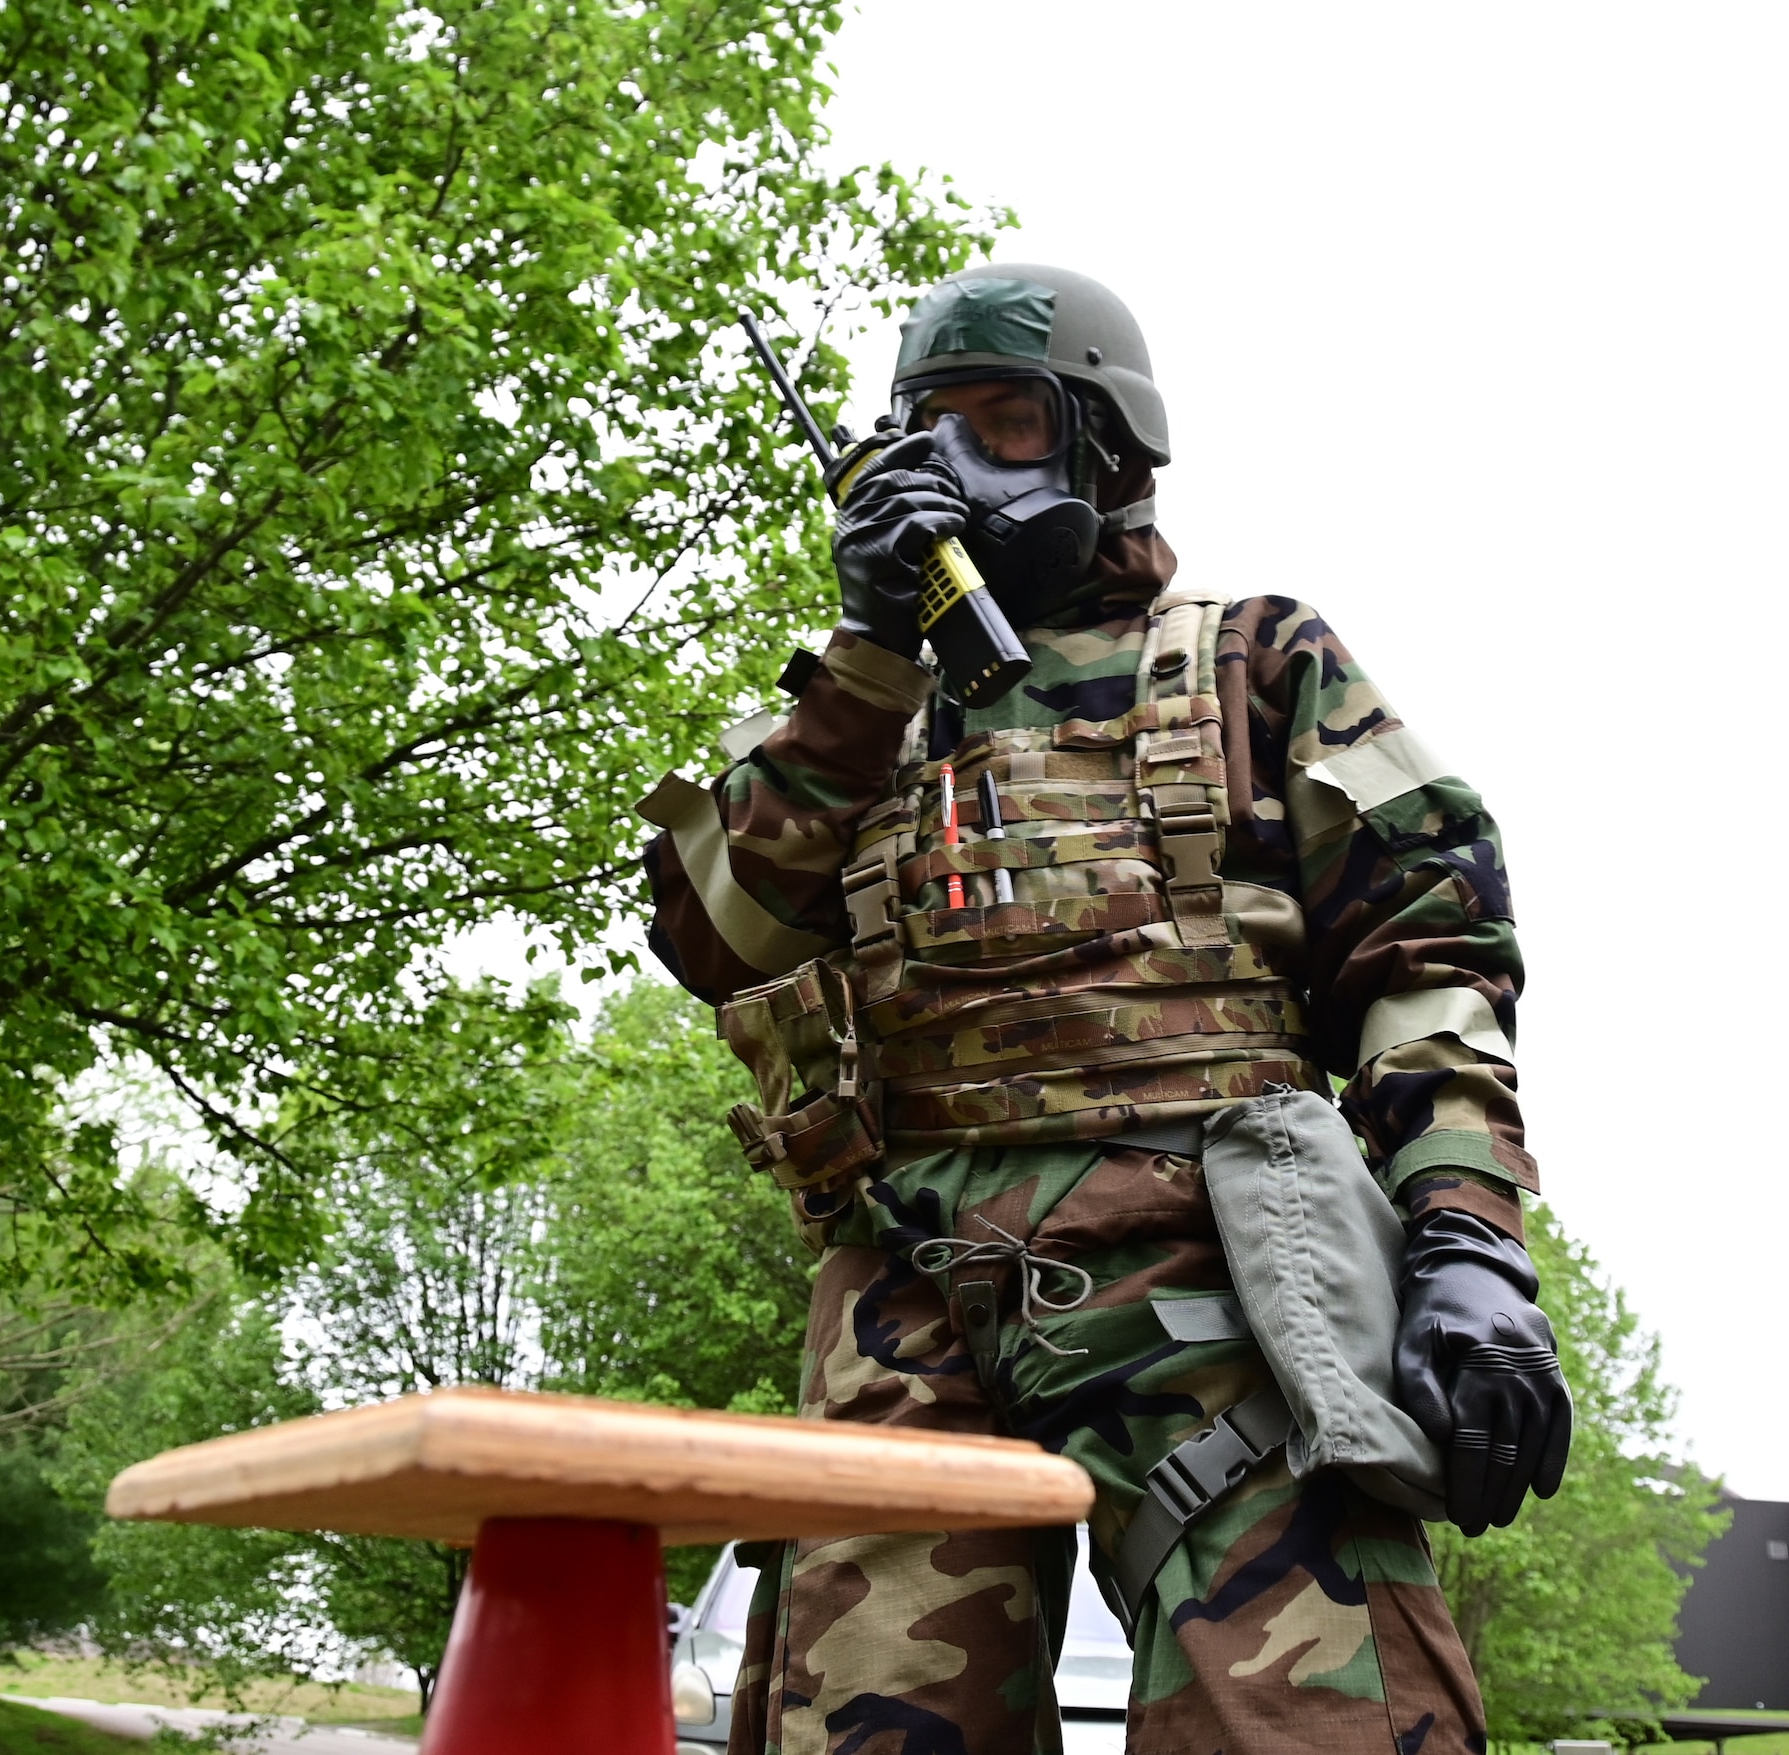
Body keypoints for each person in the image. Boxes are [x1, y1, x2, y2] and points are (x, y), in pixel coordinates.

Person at [639, 265, 1570, 1755]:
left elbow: (1428, 958)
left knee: (1316, 1732)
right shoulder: (845, 720)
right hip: (911, 1299)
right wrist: (871, 658)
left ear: (1108, 451)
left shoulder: (1254, 658)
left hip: (1221, 1290)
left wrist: (1467, 1244)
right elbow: (719, 939)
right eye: (928, 433)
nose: (959, 466)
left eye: (1006, 423)